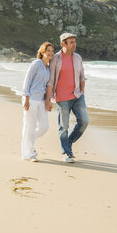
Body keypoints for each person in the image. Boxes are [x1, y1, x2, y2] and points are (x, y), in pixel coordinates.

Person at [46, 33, 89, 163]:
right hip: (62, 98)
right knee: (64, 126)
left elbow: (82, 76)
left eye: (74, 42)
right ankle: (66, 152)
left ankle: (68, 143)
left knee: (84, 122)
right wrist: (48, 99)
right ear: (63, 44)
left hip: (77, 95)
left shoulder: (77, 57)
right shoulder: (56, 58)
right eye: (71, 42)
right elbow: (51, 80)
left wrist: (82, 91)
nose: (74, 44)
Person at [21, 42, 54, 162]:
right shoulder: (36, 64)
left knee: (44, 127)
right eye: (48, 50)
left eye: (52, 51)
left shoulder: (49, 68)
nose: (50, 53)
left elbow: (47, 86)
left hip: (41, 100)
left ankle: (28, 140)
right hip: (31, 99)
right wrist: (26, 98)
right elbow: (27, 80)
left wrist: (48, 100)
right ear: (42, 52)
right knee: (30, 127)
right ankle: (29, 153)